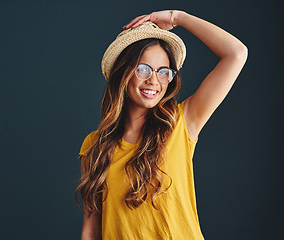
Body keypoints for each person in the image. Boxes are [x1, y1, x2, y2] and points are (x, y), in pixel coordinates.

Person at [75, 10, 247, 239]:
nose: (154, 80)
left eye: (163, 71)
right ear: (122, 72)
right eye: (143, 68)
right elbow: (91, 230)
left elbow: (236, 53)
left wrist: (178, 17)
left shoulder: (182, 122)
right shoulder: (94, 146)